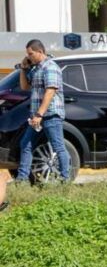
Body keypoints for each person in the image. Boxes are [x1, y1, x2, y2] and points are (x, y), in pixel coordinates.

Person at [15, 40, 70, 183]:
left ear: (40, 52)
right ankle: (21, 179)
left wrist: (40, 114)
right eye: (28, 54)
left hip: (50, 115)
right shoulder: (36, 69)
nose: (29, 57)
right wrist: (23, 68)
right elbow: (24, 87)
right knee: (25, 144)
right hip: (37, 117)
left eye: (31, 54)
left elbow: (50, 91)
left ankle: (65, 179)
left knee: (58, 146)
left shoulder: (50, 67)